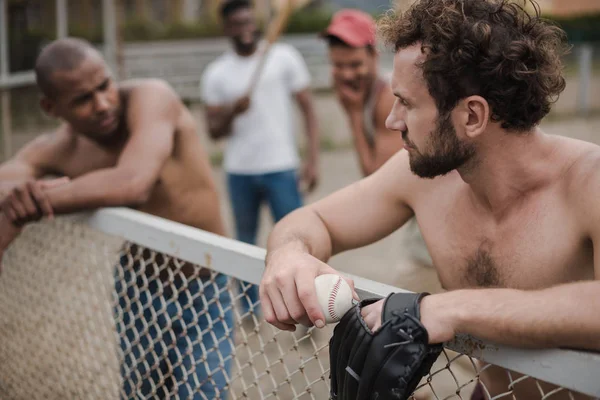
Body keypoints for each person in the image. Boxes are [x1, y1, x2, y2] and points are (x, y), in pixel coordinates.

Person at [260, 1, 600, 399]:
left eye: (406, 102)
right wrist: (290, 253)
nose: (392, 120)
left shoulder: (587, 181)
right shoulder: (424, 177)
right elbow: (315, 219)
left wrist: (448, 309)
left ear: (472, 116)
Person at [0, 38, 232, 399]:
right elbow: (10, 175)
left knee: (204, 393)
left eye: (104, 85)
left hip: (205, 284)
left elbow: (133, 182)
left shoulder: (152, 97)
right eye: (82, 99)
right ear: (51, 106)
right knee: (143, 393)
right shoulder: (63, 147)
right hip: (140, 287)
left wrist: (37, 200)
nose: (103, 104)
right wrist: (15, 199)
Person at [201, 0, 319, 317]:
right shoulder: (217, 73)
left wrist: (312, 159)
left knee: (296, 241)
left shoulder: (282, 57)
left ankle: (304, 308)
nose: (245, 29)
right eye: (237, 24)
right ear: (226, 28)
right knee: (245, 242)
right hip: (240, 171)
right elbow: (213, 130)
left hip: (282, 167)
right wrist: (231, 111)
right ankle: (251, 309)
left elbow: (308, 109)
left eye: (248, 22)